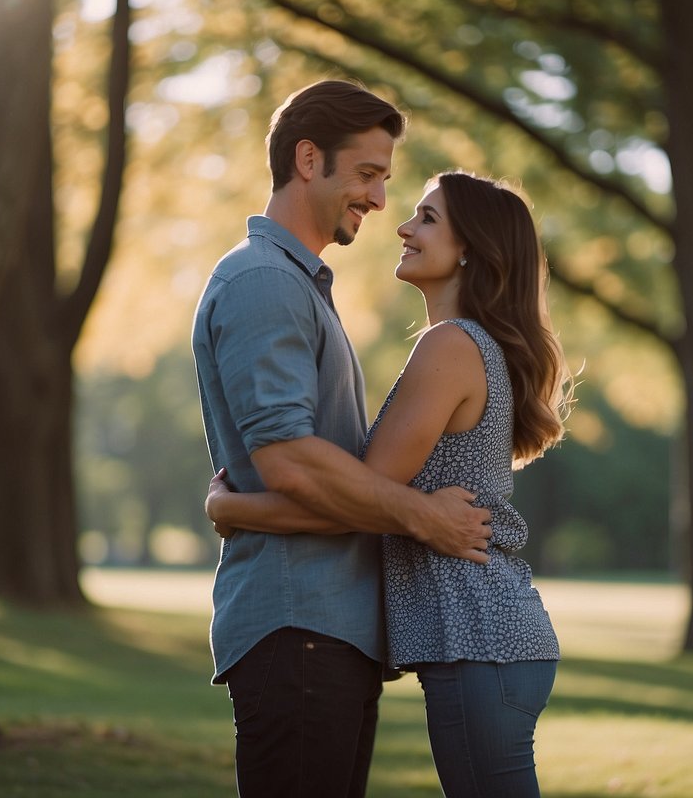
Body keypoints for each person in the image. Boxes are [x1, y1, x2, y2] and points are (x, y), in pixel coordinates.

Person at [207, 171, 572, 798]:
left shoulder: (450, 346)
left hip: (477, 638)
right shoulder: (466, 346)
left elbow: (358, 501)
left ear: (471, 249)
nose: (402, 226)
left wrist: (234, 506)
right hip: (492, 641)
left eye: (427, 219)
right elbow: (377, 500)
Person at [191, 81, 493, 798]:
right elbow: (290, 461)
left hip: (328, 630)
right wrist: (424, 516)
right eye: (366, 174)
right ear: (306, 159)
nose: (380, 201)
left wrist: (231, 510)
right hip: (298, 626)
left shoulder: (297, 285)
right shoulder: (264, 281)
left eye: (384, 180)